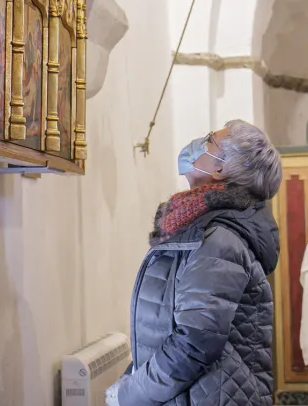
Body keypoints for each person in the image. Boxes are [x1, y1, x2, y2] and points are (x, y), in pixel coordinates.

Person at [106, 120, 282, 406]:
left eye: (209, 139)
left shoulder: (219, 239)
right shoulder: (205, 226)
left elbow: (193, 343)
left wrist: (129, 393)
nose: (198, 142)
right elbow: (170, 327)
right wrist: (135, 375)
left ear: (220, 169)